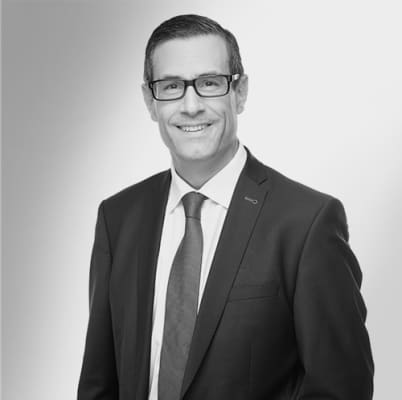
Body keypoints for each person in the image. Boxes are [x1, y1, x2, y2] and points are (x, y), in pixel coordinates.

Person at [77, 14, 374, 400]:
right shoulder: (118, 218)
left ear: (240, 92)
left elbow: (342, 389)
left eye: (209, 83)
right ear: (150, 102)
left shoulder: (306, 223)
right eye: (171, 86)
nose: (191, 106)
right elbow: (99, 383)